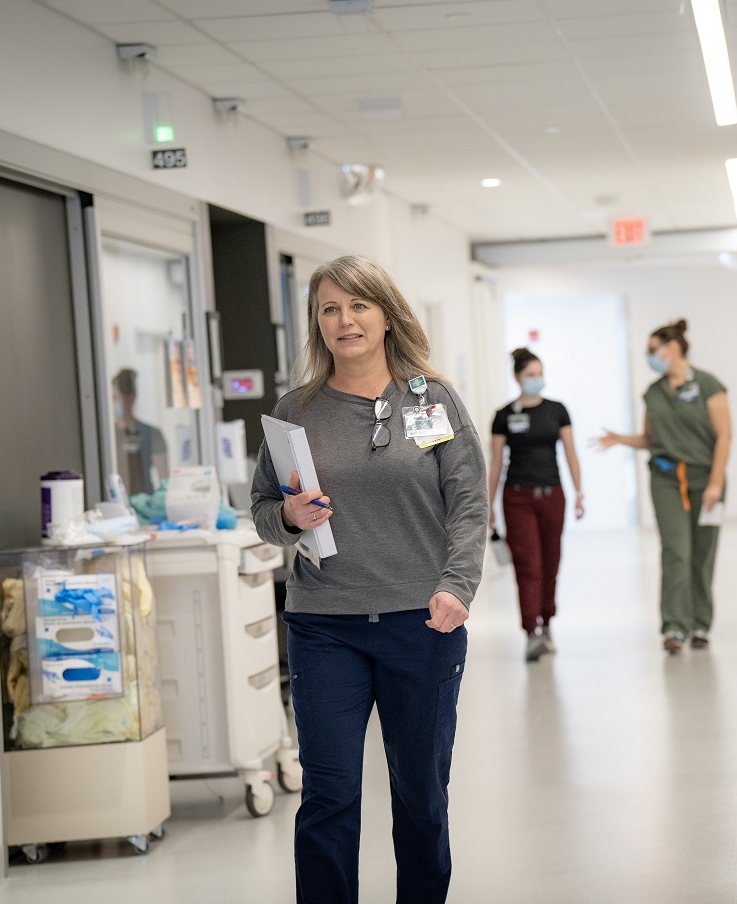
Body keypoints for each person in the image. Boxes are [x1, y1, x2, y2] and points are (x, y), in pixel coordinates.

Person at [250, 254, 488, 904]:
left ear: (385, 316)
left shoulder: (427, 400)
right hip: (325, 626)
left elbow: (468, 501)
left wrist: (457, 584)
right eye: (330, 308)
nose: (345, 320)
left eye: (358, 305)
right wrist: (289, 517)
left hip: (423, 621)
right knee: (328, 794)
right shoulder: (295, 410)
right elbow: (263, 512)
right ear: (316, 323)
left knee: (420, 795)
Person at [598, 319, 732, 654]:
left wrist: (716, 483)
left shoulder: (708, 385)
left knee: (702, 554)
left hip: (705, 480)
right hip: (666, 479)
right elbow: (649, 438)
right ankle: (674, 626)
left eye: (652, 350)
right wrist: (620, 439)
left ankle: (700, 623)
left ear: (672, 348)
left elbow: (725, 436)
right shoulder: (654, 393)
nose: (649, 356)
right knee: (676, 551)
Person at [486, 348, 584, 662]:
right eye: (530, 374)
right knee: (528, 564)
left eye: (539, 373)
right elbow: (496, 462)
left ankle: (548, 624)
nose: (535, 379)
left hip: (553, 494)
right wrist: (487, 504)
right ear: (517, 377)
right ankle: (531, 631)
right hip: (517, 498)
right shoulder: (503, 415)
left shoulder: (557, 410)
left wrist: (580, 491)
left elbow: (570, 452)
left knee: (551, 560)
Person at [112, 368, 168, 495]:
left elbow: (164, 479)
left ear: (130, 398)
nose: (113, 403)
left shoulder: (152, 434)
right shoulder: (108, 436)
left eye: (116, 398)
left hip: (145, 504)